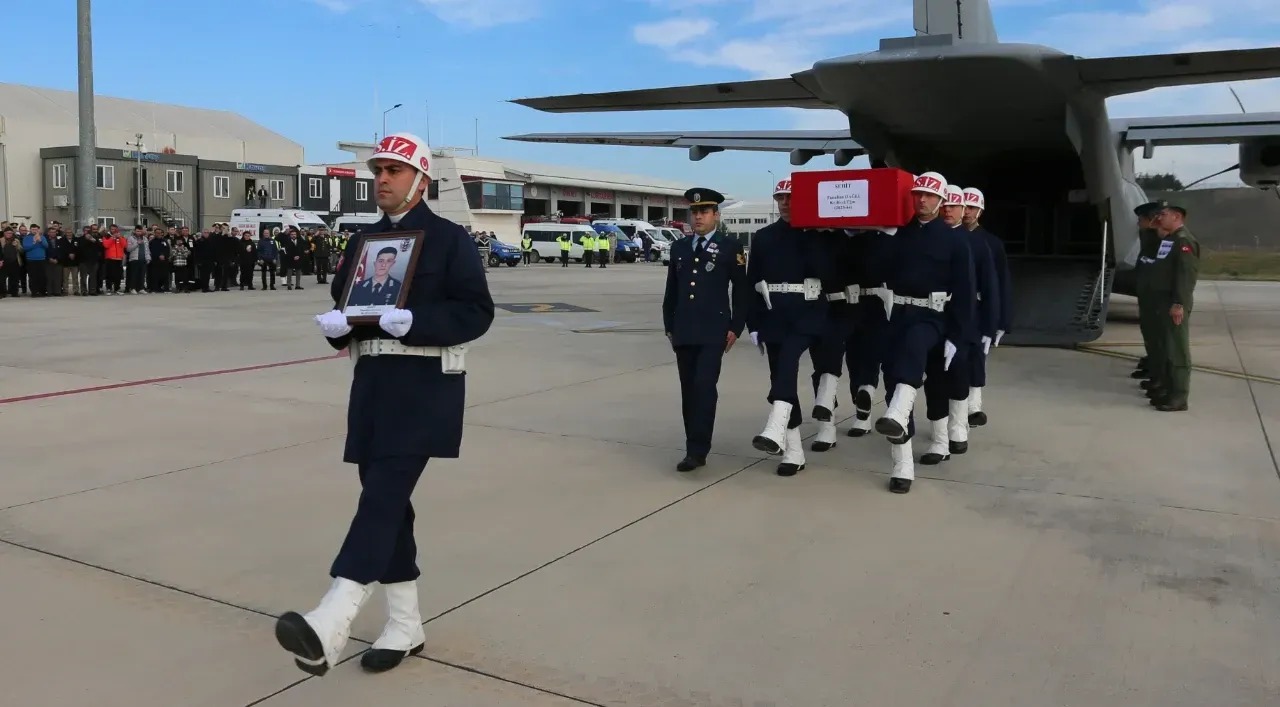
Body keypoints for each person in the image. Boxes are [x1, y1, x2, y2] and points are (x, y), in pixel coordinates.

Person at [274, 131, 494, 676]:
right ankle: (405, 624)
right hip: (372, 387)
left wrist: (417, 322)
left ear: (420, 180)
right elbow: (346, 309)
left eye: (393, 172)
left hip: (423, 389)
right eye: (377, 172)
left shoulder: (449, 239)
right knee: (388, 504)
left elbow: (476, 312)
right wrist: (335, 327)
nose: (382, 181)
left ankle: (333, 617)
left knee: (382, 498)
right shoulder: (362, 241)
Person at [873, 172, 976, 494]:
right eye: (918, 194)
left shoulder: (956, 240)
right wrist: (877, 236)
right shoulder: (900, 235)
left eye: (930, 196)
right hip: (900, 313)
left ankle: (917, 424)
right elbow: (878, 271)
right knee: (893, 379)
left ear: (942, 200)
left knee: (923, 361)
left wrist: (957, 338)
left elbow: (964, 291)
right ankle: (902, 463)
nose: (922, 200)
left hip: (935, 317)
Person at [745, 179, 833, 475]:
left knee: (787, 361)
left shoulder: (818, 235)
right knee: (779, 374)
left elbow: (830, 273)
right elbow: (752, 282)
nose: (784, 203)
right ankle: (793, 451)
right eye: (780, 198)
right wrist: (753, 323)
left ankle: (775, 425)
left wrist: (817, 235)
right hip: (775, 315)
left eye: (791, 198)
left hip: (808, 313)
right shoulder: (764, 237)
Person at [663, 187, 748, 472]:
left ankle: (699, 449)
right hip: (684, 330)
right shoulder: (680, 247)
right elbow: (672, 290)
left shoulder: (730, 247)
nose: (698, 217)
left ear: (715, 215)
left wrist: (737, 326)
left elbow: (742, 289)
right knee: (689, 390)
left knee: (704, 387)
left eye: (704, 212)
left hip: (714, 331)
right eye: (694, 212)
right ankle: (692, 448)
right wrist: (669, 325)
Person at [962, 187, 1011, 427]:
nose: (967, 212)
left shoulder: (992, 243)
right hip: (956, 306)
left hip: (981, 309)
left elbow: (1001, 284)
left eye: (972, 208)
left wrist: (1002, 321)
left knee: (977, 357)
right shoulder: (953, 237)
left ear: (980, 211)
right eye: (965, 207)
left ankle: (974, 407)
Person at [1147, 203, 1199, 412]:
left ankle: (1179, 397)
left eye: (1163, 214)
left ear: (1177, 216)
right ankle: (1169, 390)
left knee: (1177, 350)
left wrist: (1179, 303)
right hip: (1162, 302)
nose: (1159, 218)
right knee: (1167, 347)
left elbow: (1185, 277)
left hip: (1173, 303)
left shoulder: (1183, 241)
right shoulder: (1169, 240)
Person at [1131, 200, 1167, 403]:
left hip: (1157, 295)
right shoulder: (1149, 236)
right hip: (1148, 292)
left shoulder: (1164, 239)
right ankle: (1153, 365)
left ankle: (1159, 373)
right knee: (1150, 332)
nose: (1138, 224)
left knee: (1160, 336)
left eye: (1141, 220)